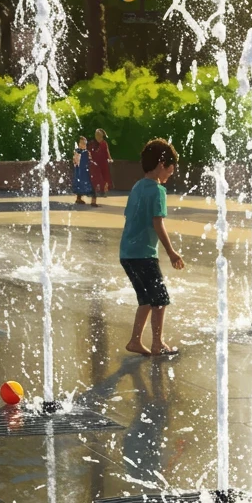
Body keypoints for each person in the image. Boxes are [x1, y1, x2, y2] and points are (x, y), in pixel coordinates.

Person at [120, 138, 185, 357]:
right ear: (161, 164)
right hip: (144, 255)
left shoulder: (138, 186)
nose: (171, 172)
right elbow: (158, 222)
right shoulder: (157, 191)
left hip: (127, 253)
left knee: (147, 299)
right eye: (170, 168)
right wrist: (171, 252)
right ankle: (158, 343)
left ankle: (135, 341)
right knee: (161, 299)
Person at [88, 128, 113, 204]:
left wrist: (109, 158)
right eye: (96, 134)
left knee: (105, 178)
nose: (97, 136)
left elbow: (107, 151)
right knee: (95, 180)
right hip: (95, 164)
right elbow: (89, 152)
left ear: (102, 135)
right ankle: (94, 198)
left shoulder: (104, 143)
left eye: (99, 135)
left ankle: (102, 190)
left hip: (103, 163)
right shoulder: (92, 143)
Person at [72, 136, 94, 204]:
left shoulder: (86, 152)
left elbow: (90, 159)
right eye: (82, 143)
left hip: (84, 170)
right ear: (79, 144)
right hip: (80, 171)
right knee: (79, 183)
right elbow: (75, 162)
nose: (84, 145)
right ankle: (78, 198)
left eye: (85, 143)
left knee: (84, 183)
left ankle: (80, 198)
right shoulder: (78, 151)